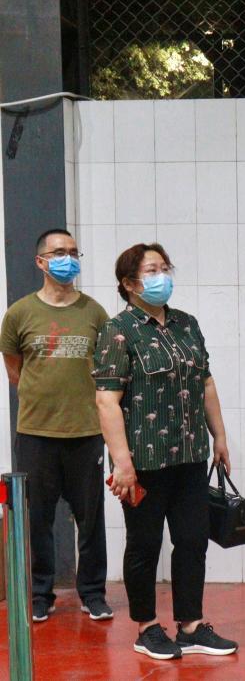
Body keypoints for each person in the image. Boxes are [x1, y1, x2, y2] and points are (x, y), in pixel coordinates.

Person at [94, 243, 237, 660]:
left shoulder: (186, 324)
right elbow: (106, 401)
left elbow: (205, 382)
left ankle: (191, 625)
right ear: (129, 283)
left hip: (190, 456)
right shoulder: (118, 331)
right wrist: (123, 464)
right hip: (144, 462)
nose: (162, 277)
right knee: (144, 545)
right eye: (151, 270)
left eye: (164, 268)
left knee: (193, 540)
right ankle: (146, 628)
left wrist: (219, 437)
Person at [0, 229, 111, 623]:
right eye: (59, 252)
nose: (68, 259)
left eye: (73, 252)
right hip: (36, 433)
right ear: (40, 262)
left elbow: (107, 371)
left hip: (86, 432)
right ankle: (40, 594)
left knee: (91, 519)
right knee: (38, 519)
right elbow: (15, 371)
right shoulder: (19, 314)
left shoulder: (95, 313)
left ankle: (93, 593)